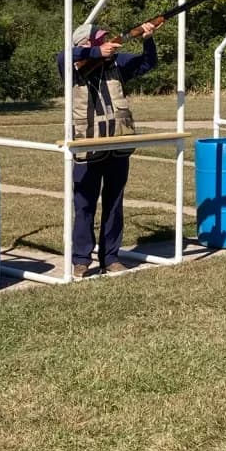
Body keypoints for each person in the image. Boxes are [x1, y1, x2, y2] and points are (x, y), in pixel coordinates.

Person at [57, 20, 158, 278]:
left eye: (104, 41)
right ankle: (81, 260)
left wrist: (147, 39)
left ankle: (110, 257)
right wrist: (94, 54)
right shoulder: (71, 65)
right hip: (86, 147)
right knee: (84, 205)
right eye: (98, 41)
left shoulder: (117, 63)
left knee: (114, 203)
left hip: (117, 144)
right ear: (85, 45)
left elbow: (148, 64)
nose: (105, 44)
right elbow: (63, 54)